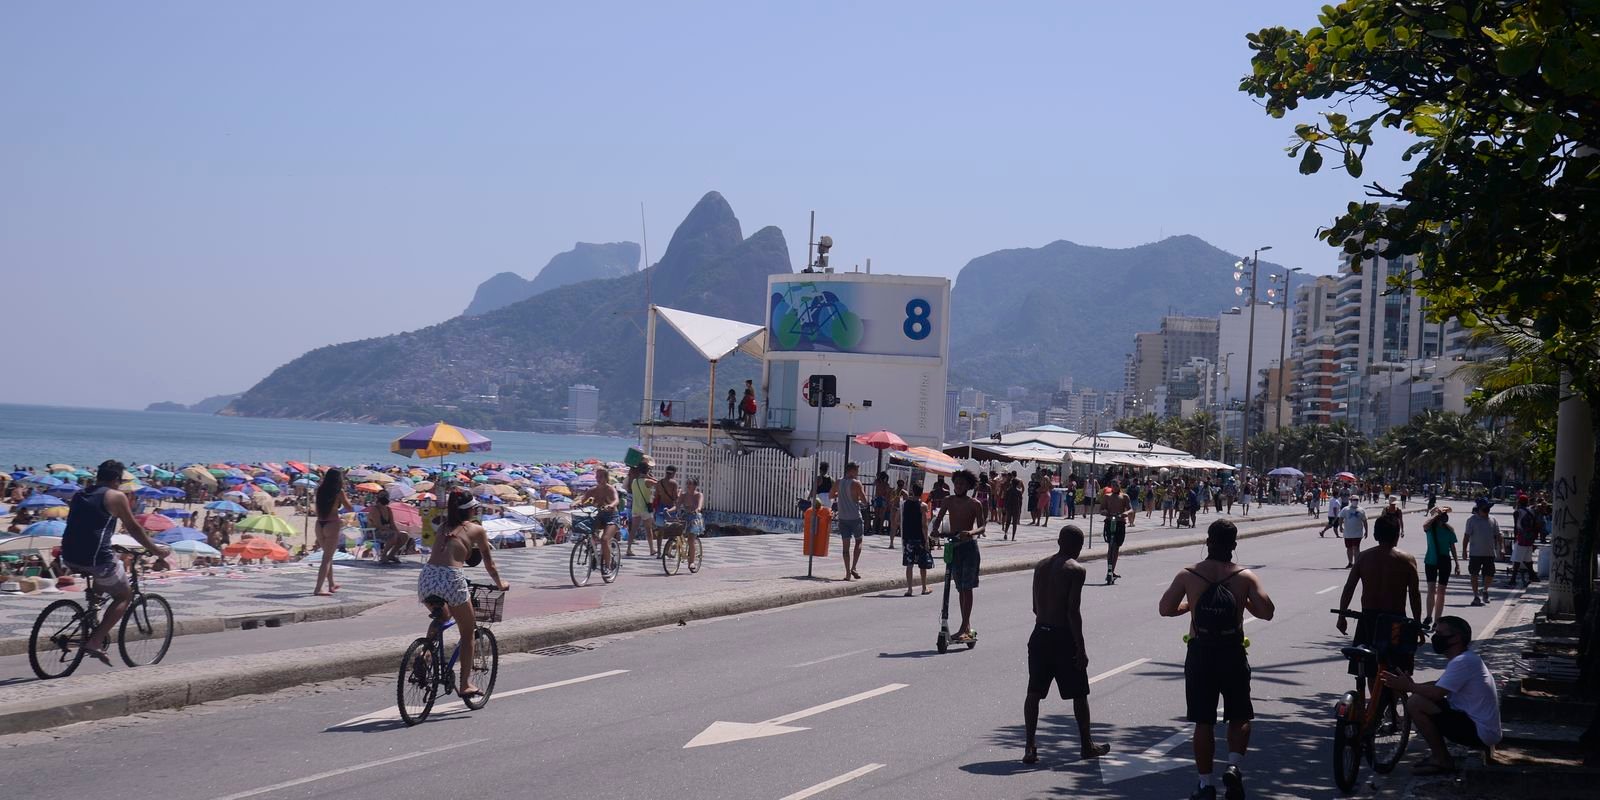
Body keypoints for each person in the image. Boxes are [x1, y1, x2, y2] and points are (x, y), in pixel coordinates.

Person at [1159, 520, 1274, 800]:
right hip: (1232, 651)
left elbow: (1165, 608)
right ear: (1233, 546)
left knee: (1203, 721)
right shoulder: (1245, 576)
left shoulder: (1189, 575)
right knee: (1240, 715)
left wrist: (1191, 605)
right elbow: (1267, 611)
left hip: (1201, 652)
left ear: (1208, 542)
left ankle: (1205, 783)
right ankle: (1233, 766)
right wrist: (1242, 599)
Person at [60, 460, 172, 665]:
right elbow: (134, 528)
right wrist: (156, 551)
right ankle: (94, 641)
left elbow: (86, 526)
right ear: (115, 480)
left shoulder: (80, 494)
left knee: (105, 573)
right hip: (94, 558)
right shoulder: (116, 496)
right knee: (123, 595)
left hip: (69, 555)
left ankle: (92, 615)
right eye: (120, 481)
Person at [1023, 524, 1111, 765]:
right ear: (1077, 546)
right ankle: (1086, 745)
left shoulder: (1040, 566)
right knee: (1080, 693)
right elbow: (1073, 611)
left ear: (1059, 541)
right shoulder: (1075, 569)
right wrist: (1080, 648)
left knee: (1034, 692)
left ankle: (1030, 746)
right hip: (1062, 637)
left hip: (1039, 634)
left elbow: (1034, 607)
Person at [1380, 616, 1502, 775]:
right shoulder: (1466, 659)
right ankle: (1440, 757)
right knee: (1418, 696)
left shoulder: (1462, 662)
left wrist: (1409, 687)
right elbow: (1439, 685)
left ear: (1456, 638)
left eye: (1440, 633)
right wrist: (1409, 685)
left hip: (1479, 732)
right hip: (1481, 728)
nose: (1436, 637)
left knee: (1416, 703)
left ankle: (1442, 759)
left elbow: (1437, 693)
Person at [417, 490, 509, 700]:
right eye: (475, 507)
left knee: (442, 616)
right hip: (451, 578)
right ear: (470, 510)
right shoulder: (476, 529)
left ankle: (424, 654)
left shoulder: (442, 527)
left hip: (427, 577)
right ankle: (466, 684)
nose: (477, 510)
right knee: (468, 632)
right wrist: (500, 584)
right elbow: (490, 564)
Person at [1337, 514, 1422, 690]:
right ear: (1397, 535)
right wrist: (1417, 623)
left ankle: (1374, 707)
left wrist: (1342, 616)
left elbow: (1349, 587)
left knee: (1369, 668)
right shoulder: (1407, 560)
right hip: (1395, 621)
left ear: (1375, 535)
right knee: (1397, 667)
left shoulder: (1364, 557)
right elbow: (1414, 595)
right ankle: (1386, 707)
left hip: (1369, 619)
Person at [929, 469, 985, 642]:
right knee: (959, 587)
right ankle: (966, 627)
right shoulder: (948, 500)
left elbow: (982, 527)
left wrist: (971, 532)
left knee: (967, 588)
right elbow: (938, 518)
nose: (958, 486)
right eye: (956, 483)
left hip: (969, 547)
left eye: (962, 484)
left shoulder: (975, 503)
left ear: (968, 486)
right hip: (954, 547)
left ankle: (964, 626)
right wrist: (936, 530)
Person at [313, 469, 354, 596]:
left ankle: (331, 584)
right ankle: (318, 588)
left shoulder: (320, 490)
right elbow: (349, 508)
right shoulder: (338, 492)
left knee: (327, 556)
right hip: (332, 523)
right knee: (326, 558)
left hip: (320, 524)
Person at [1420, 507, 1460, 629]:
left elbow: (1452, 547)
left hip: (1444, 562)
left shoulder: (1449, 530)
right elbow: (1425, 525)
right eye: (1442, 515)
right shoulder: (1430, 529)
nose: (1444, 517)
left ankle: (1437, 620)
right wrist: (1435, 515)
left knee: (1441, 592)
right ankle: (1429, 616)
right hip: (1431, 561)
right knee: (1431, 590)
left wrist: (1457, 564)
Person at [575, 466, 621, 568]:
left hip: (612, 517)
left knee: (605, 540)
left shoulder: (610, 489)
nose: (598, 478)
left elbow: (616, 500)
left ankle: (607, 566)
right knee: (588, 531)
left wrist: (611, 505)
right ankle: (595, 552)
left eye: (600, 476)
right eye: (597, 476)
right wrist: (575, 503)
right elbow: (582, 499)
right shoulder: (593, 490)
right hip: (599, 516)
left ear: (606, 478)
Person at [1461, 499, 1502, 606]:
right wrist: (1464, 550)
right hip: (1475, 553)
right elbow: (1466, 536)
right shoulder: (1472, 520)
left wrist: (1501, 548)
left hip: (1489, 553)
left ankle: (1485, 590)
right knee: (1474, 574)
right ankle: (1476, 596)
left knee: (1490, 574)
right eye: (1485, 508)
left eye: (1488, 508)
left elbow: (1498, 534)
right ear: (1479, 509)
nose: (1487, 510)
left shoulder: (1493, 519)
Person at [835, 462, 867, 581]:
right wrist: (857, 499)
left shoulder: (839, 482)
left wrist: (841, 495)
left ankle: (847, 573)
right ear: (852, 470)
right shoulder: (856, 483)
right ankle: (854, 567)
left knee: (845, 546)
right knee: (859, 541)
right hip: (855, 517)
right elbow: (864, 500)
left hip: (843, 517)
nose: (857, 473)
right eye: (857, 471)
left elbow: (831, 495)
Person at [901, 488, 932, 596]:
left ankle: (909, 589)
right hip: (919, 538)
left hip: (908, 538)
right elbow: (924, 525)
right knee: (922, 564)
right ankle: (924, 587)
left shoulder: (905, 504)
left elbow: (898, 520)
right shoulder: (923, 505)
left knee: (909, 564)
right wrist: (926, 541)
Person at [1100, 483, 1131, 584]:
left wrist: (1126, 513)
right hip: (1110, 522)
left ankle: (1112, 570)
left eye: (1116, 485)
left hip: (1120, 522)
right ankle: (1109, 570)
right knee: (1110, 546)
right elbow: (1101, 509)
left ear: (1119, 486)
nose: (1114, 487)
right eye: (1113, 486)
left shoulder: (1124, 496)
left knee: (1116, 546)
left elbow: (1130, 509)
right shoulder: (1107, 497)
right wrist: (1104, 512)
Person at [673, 477, 705, 567]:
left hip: (695, 518)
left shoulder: (699, 495)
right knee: (676, 531)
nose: (688, 485)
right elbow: (677, 505)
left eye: (690, 483)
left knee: (691, 540)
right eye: (687, 483)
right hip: (685, 516)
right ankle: (675, 545)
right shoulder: (683, 495)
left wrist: (697, 509)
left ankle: (691, 562)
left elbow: (699, 505)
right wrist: (669, 510)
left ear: (695, 485)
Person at [1509, 494, 1539, 587]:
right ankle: (1532, 575)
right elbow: (1535, 525)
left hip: (1521, 537)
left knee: (1517, 560)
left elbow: (1516, 527)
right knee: (1527, 559)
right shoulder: (1532, 511)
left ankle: (1513, 579)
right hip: (1529, 538)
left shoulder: (1517, 512)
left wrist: (1515, 538)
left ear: (1519, 502)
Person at [628, 463, 657, 557]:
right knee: (648, 530)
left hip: (636, 508)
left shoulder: (634, 481)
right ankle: (652, 549)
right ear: (647, 471)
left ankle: (628, 549)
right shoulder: (647, 481)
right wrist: (650, 477)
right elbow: (659, 484)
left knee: (633, 530)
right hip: (645, 508)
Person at [373, 492, 405, 564]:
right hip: (374, 532)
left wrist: (398, 532)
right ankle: (383, 555)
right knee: (393, 534)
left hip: (387, 530)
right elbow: (378, 525)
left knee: (404, 536)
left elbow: (392, 524)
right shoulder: (375, 509)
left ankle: (391, 555)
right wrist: (393, 532)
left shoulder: (388, 509)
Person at [652, 465, 680, 543]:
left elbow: (656, 496)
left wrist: (655, 510)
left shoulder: (659, 482)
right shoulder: (674, 483)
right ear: (674, 473)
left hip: (660, 507)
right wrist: (679, 493)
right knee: (673, 530)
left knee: (660, 532)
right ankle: (670, 548)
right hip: (670, 508)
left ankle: (659, 552)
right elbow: (675, 497)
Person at [1339, 495, 1368, 568]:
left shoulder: (1361, 510)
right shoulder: (1345, 509)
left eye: (1357, 500)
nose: (1355, 501)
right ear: (1350, 501)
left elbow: (1364, 521)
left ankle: (1356, 563)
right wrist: (1340, 526)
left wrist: (1366, 531)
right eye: (1354, 500)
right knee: (1349, 548)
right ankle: (1350, 562)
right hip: (1348, 533)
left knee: (1356, 548)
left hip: (1358, 533)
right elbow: (1341, 518)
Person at [1004, 475, 1024, 540]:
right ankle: (1013, 537)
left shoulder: (1008, 490)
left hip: (1009, 507)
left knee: (1008, 521)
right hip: (1016, 508)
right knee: (1014, 523)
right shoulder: (1019, 492)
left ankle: (1005, 533)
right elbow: (1020, 501)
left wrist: (1005, 507)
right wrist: (1020, 509)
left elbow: (1005, 499)